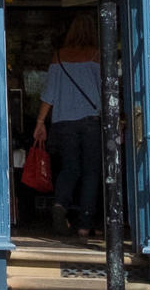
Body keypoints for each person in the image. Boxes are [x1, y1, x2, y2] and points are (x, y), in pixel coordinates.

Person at [33, 14, 105, 237]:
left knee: (69, 169)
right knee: (91, 173)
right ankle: (84, 225)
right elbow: (106, 90)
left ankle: (59, 205)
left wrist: (40, 121)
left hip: (63, 122)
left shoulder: (58, 57)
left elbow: (49, 94)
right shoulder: (96, 55)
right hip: (91, 120)